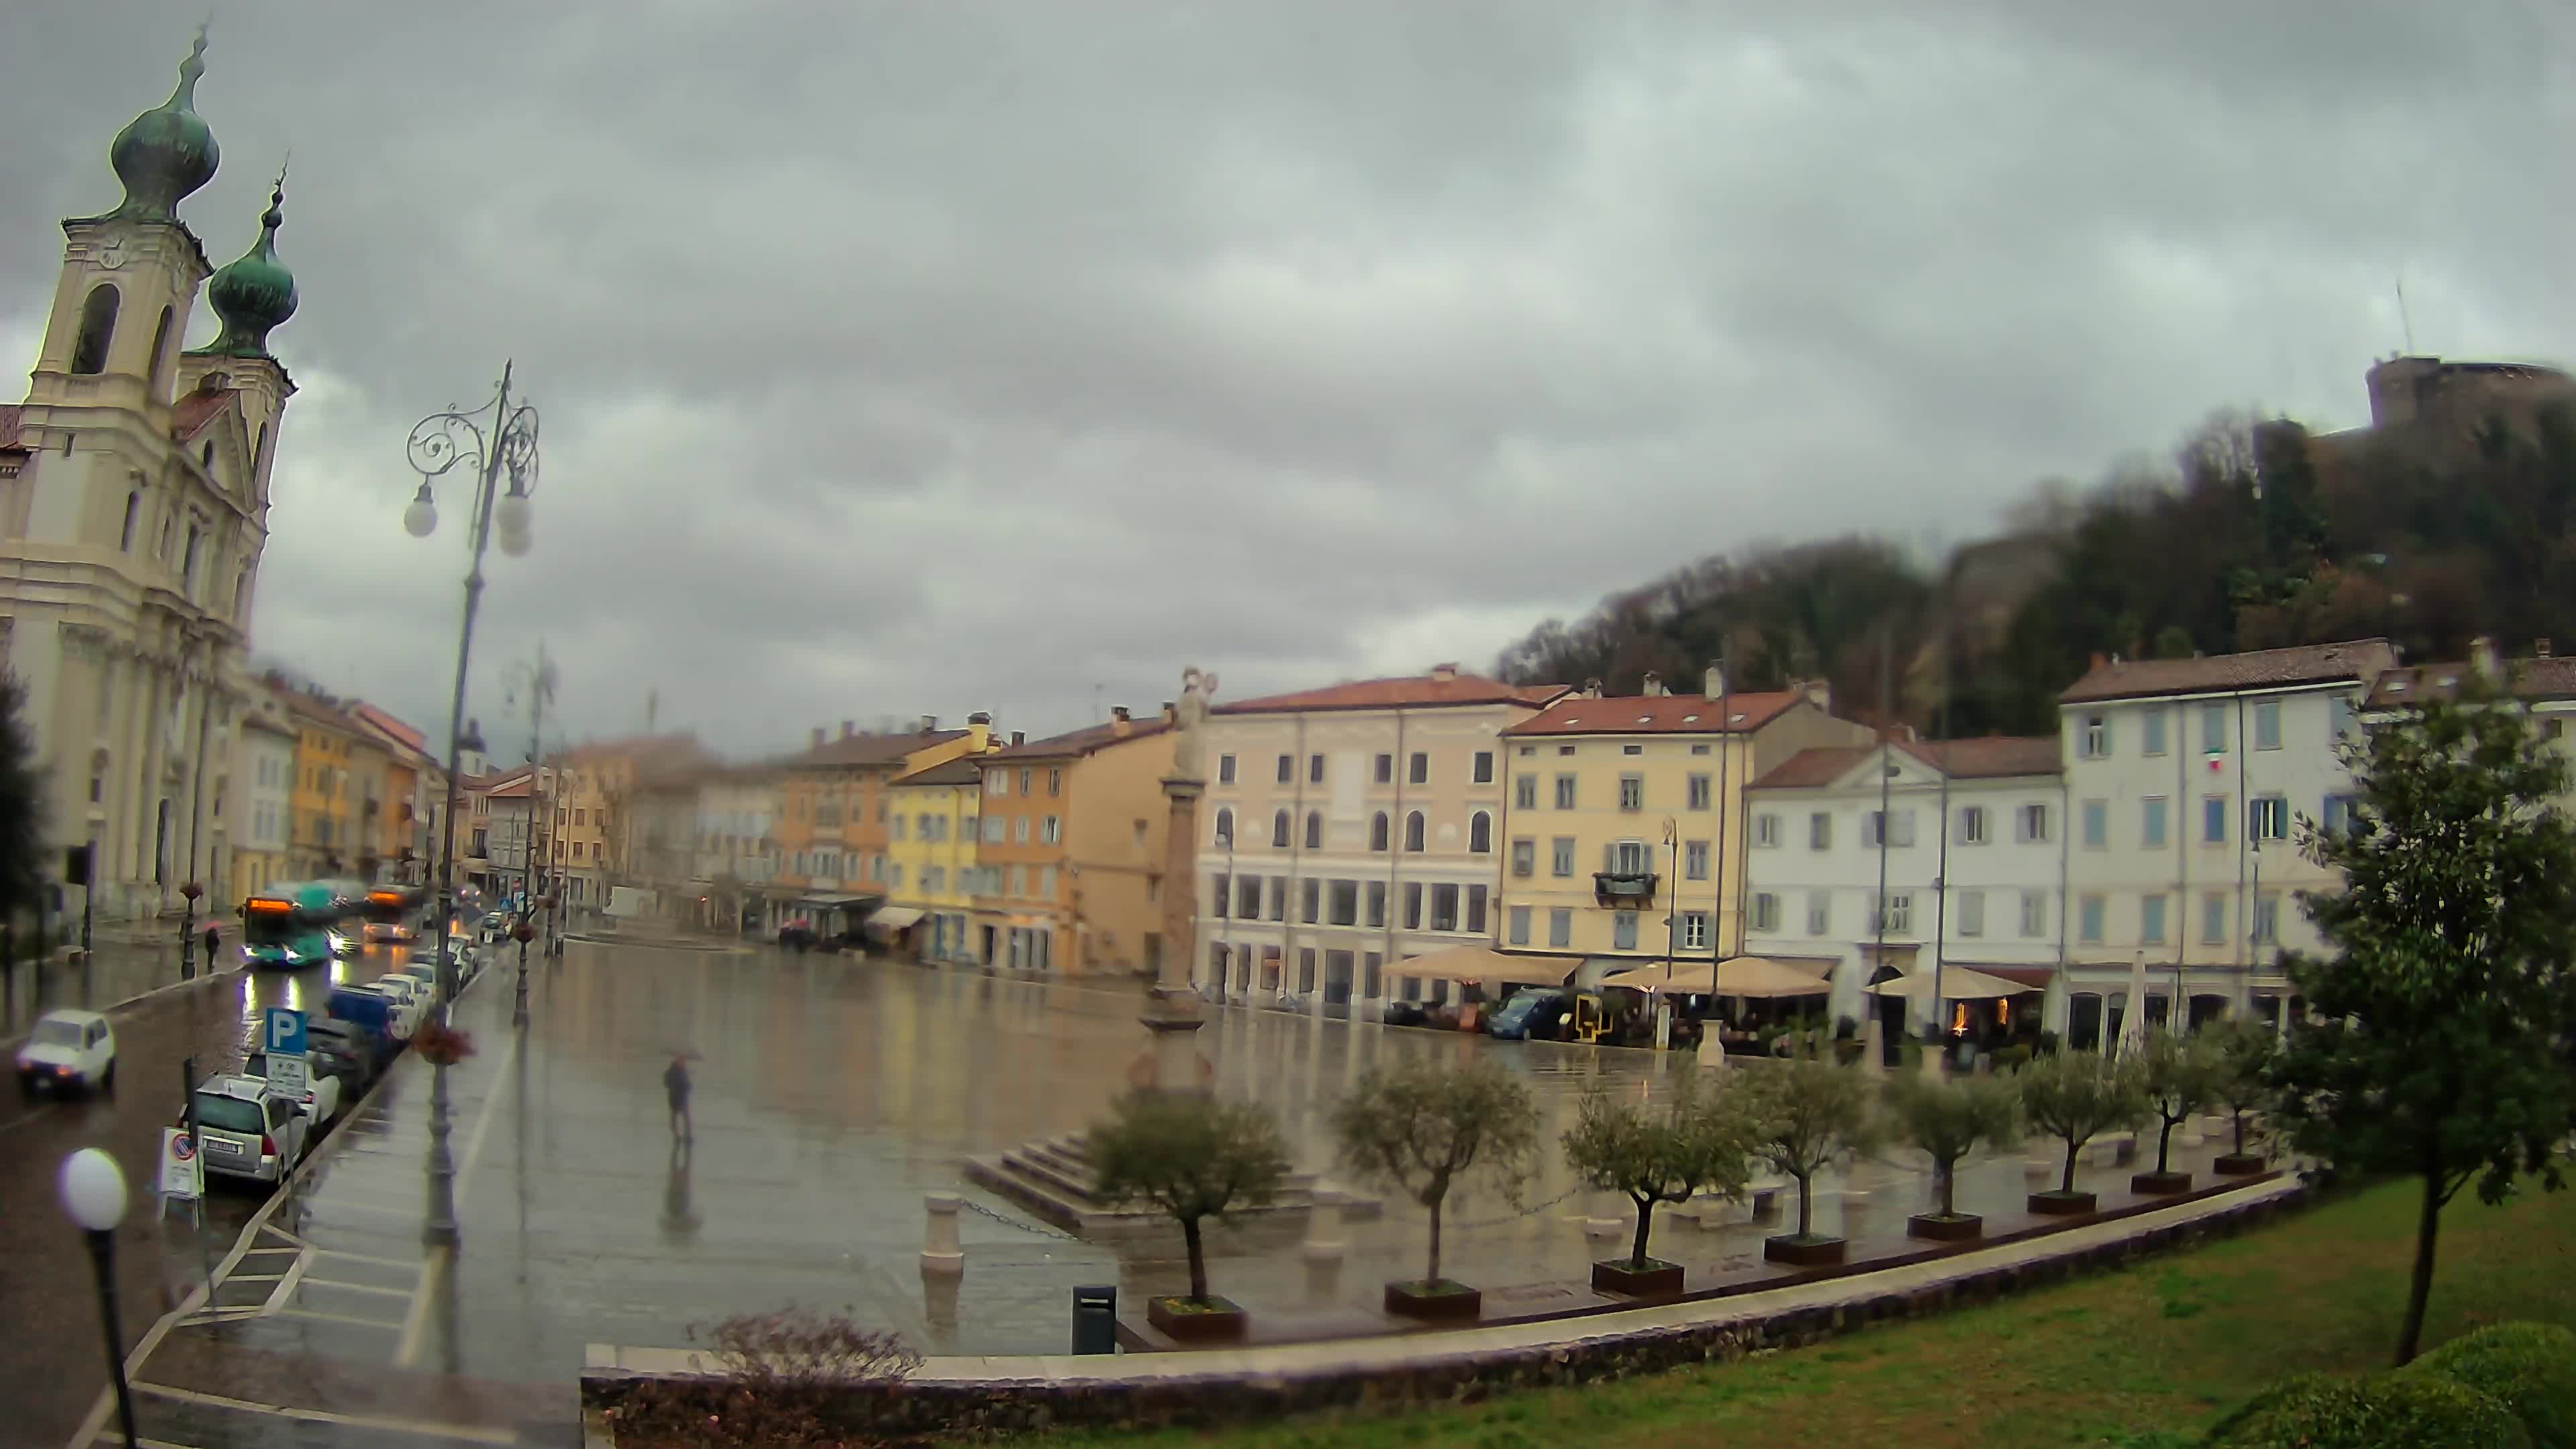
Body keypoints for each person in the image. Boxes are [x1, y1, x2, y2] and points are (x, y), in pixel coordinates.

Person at [663, 1055, 693, 1141]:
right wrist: (680, 1084)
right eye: (682, 1062)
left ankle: (687, 1136)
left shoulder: (683, 1072)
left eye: (684, 1062)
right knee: (675, 1118)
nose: (684, 1064)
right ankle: (677, 1135)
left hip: (682, 1098)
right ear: (677, 1062)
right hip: (675, 1098)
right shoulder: (671, 1072)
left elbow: (687, 1084)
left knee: (686, 1118)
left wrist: (688, 1087)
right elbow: (667, 1083)